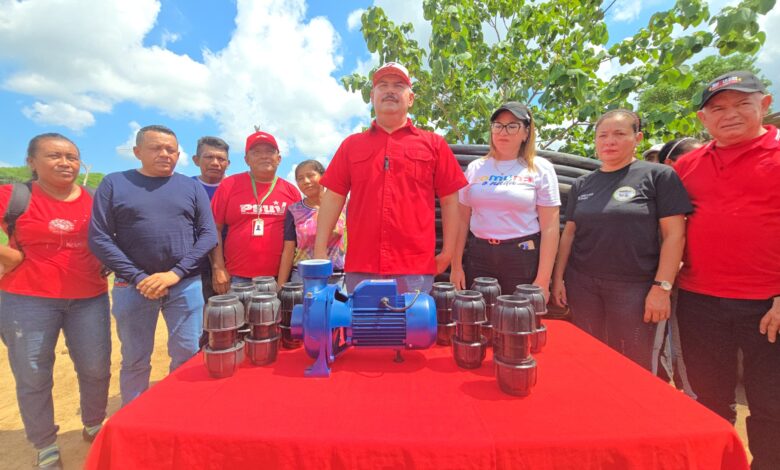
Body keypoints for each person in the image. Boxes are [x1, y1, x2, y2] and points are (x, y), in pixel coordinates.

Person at [673, 71, 780, 469]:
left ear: (764, 104)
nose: (729, 114)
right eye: (718, 108)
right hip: (700, 299)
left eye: (741, 104)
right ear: (703, 119)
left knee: (771, 405)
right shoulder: (687, 165)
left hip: (767, 306)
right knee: (706, 397)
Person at [551, 109, 692, 371]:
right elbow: (569, 233)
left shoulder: (658, 176)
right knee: (587, 357)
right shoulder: (583, 184)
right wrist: (559, 278)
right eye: (602, 135)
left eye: (619, 134)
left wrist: (662, 288)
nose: (609, 141)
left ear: (637, 138)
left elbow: (675, 235)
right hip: (583, 285)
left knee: (632, 363)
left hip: (634, 289)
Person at [1, 133, 110, 469]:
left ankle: (94, 424)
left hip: (89, 297)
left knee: (96, 367)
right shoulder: (13, 195)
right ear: (31, 162)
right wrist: (9, 255)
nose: (65, 163)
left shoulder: (94, 198)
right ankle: (45, 442)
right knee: (33, 373)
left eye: (72, 157)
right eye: (54, 156)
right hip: (27, 299)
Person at [89, 124, 217, 406]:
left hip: (184, 284)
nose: (164, 154)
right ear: (137, 152)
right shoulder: (114, 183)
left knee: (187, 352)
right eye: (155, 148)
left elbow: (208, 234)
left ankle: (180, 410)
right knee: (135, 358)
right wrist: (138, 277)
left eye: (171, 149)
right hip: (133, 287)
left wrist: (175, 273)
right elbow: (98, 237)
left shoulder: (191, 186)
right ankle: (134, 415)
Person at [314, 62, 468, 293]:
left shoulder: (434, 144)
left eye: (398, 85)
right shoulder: (351, 146)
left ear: (411, 98)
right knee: (364, 329)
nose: (390, 91)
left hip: (415, 269)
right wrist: (319, 249)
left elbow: (449, 200)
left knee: (414, 329)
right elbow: (333, 197)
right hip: (361, 265)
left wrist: (447, 251)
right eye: (382, 85)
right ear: (372, 97)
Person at [450, 102, 560, 299]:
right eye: (498, 125)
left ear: (526, 133)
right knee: (477, 320)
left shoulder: (540, 168)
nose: (504, 132)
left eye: (512, 126)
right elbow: (461, 220)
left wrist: (543, 279)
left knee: (518, 321)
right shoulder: (476, 168)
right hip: (479, 256)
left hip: (522, 256)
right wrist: (456, 266)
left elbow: (550, 227)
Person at [210, 130, 301, 291]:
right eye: (256, 152)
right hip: (236, 277)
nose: (264, 156)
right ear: (246, 160)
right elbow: (213, 228)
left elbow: (297, 237)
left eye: (269, 151)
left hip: (278, 278)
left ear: (278, 158)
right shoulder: (229, 185)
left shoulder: (291, 191)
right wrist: (218, 268)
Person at [278, 159, 346, 287]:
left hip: (337, 279)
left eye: (310, 176)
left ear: (323, 176)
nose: (306, 182)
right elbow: (288, 250)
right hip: (302, 278)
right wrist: (281, 287)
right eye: (300, 178)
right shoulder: (294, 211)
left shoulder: (342, 206)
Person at [190, 136, 230, 302]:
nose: (215, 163)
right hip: (195, 265)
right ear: (196, 160)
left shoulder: (236, 187)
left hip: (231, 263)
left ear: (228, 163)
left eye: (221, 159)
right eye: (209, 157)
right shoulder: (185, 187)